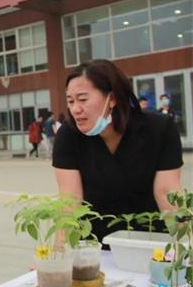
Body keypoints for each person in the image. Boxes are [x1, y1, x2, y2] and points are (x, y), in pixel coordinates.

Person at [53, 59, 183, 246]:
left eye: (83, 99)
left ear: (112, 98)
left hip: (149, 241)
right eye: (70, 101)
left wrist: (187, 245)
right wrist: (58, 255)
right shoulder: (68, 135)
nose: (75, 109)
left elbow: (167, 193)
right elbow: (70, 200)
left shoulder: (159, 128)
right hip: (94, 247)